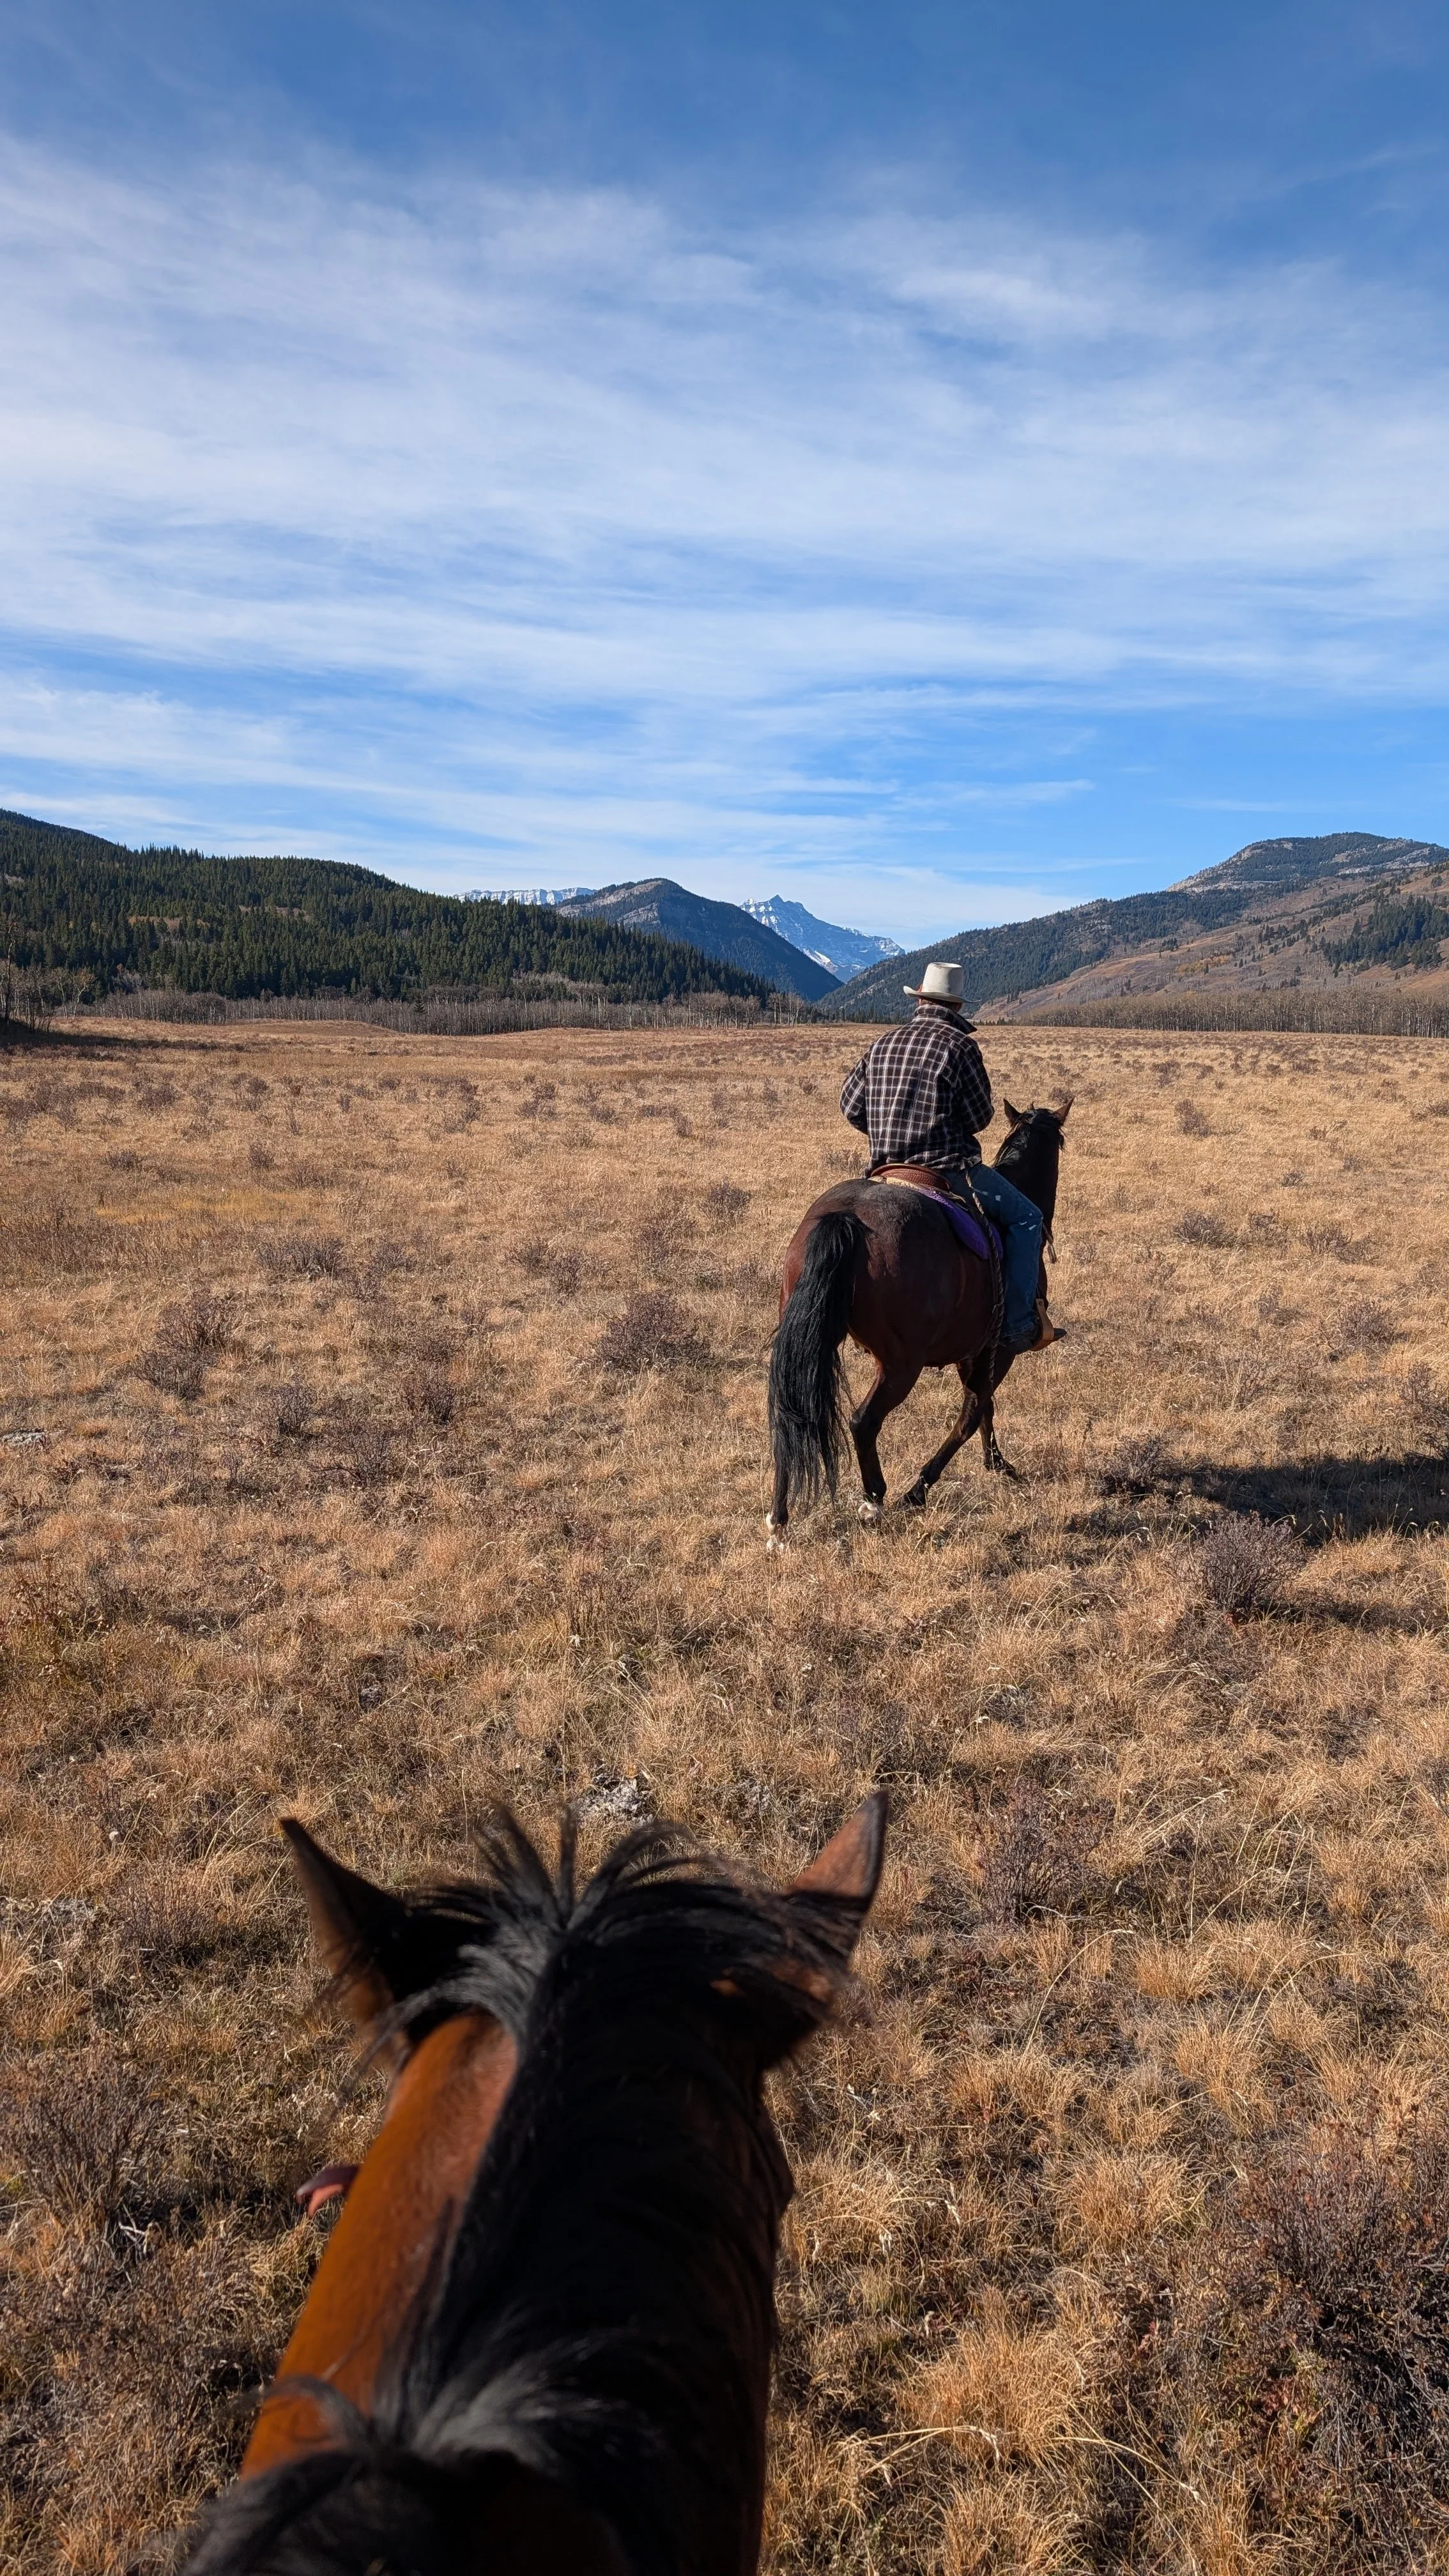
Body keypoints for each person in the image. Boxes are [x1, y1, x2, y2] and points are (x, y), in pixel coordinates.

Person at [839, 960, 1063, 1354]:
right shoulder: (960, 1046)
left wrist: (886, 1130)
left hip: (884, 1171)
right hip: (947, 1171)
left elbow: (851, 1106)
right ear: (957, 1007)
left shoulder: (883, 1042)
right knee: (1028, 1218)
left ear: (921, 999)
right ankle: (1018, 1323)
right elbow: (980, 1118)